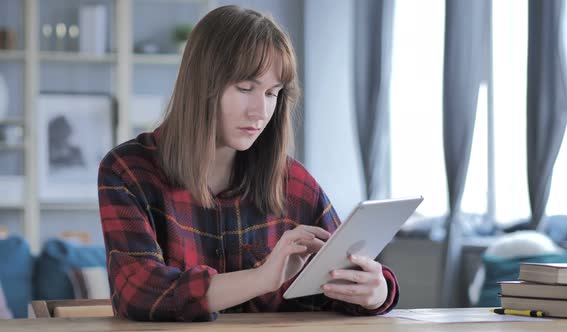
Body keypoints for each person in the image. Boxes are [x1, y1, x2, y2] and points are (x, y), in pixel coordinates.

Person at [98, 5, 399, 322]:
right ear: (202, 86)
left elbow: (345, 278)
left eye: (272, 93)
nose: (260, 111)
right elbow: (140, 292)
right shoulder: (127, 170)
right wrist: (261, 279)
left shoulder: (293, 183)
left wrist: (376, 292)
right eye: (245, 88)